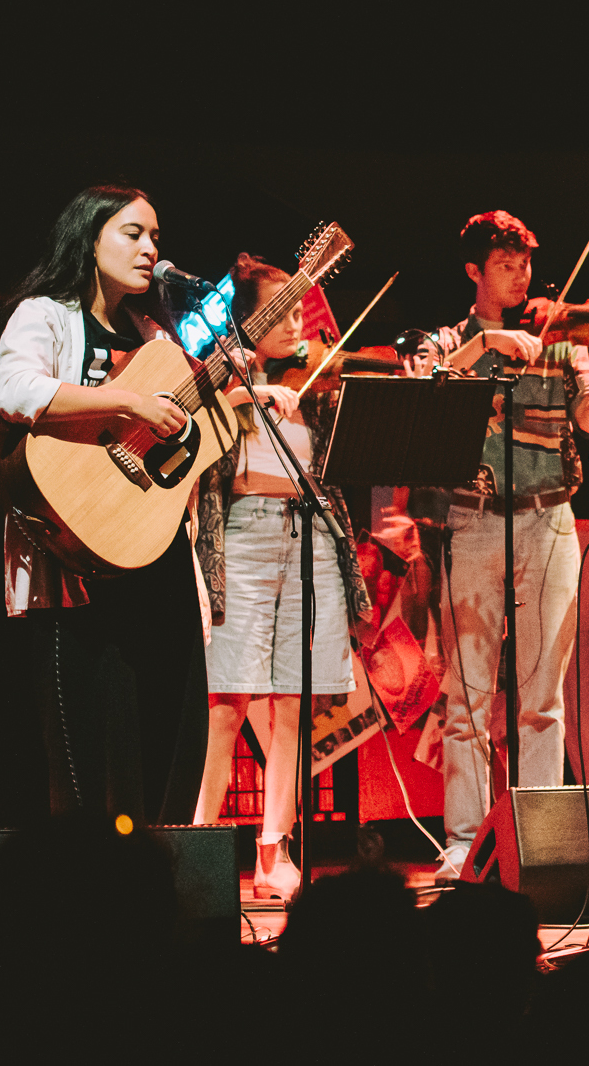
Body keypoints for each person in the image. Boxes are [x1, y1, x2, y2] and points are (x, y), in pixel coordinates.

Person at [0, 185, 209, 824]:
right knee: (86, 739)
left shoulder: (152, 333)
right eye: (133, 234)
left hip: (148, 544)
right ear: (90, 240)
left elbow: (175, 444)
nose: (150, 249)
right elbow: (13, 388)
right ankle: (91, 887)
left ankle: (161, 859)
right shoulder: (46, 313)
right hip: (70, 542)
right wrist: (128, 403)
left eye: (157, 237)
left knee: (169, 717)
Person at [189, 253, 373, 899]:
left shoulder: (314, 385)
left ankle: (274, 851)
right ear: (249, 319)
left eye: (301, 309)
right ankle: (200, 838)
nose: (298, 322)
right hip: (242, 537)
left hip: (310, 539)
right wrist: (250, 391)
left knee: (292, 705)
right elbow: (191, 416)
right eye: (283, 311)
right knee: (228, 703)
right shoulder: (219, 377)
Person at [430, 211, 589, 879]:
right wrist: (489, 344)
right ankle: (464, 840)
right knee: (468, 693)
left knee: (542, 694)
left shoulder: (563, 341)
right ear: (474, 270)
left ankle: (538, 838)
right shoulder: (454, 337)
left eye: (525, 263)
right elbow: (431, 381)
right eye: (505, 263)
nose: (520, 275)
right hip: (474, 516)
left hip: (551, 516)